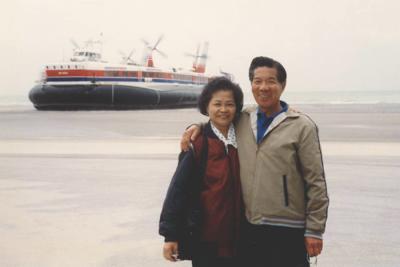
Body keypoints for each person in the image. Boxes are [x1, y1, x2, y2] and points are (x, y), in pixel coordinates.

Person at [181, 56, 329, 267]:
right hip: (249, 226)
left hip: (289, 229)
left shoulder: (301, 126)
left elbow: (316, 181)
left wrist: (315, 229)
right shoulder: (242, 119)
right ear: (251, 85)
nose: (264, 87)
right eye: (257, 81)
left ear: (282, 85)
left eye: (271, 81)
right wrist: (195, 126)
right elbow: (219, 118)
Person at [159, 77, 244, 267]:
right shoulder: (198, 143)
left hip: (240, 239)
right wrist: (170, 236)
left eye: (229, 104)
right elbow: (178, 189)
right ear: (206, 106)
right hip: (206, 239)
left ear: (237, 108)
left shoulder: (244, 139)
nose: (223, 109)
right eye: (217, 104)